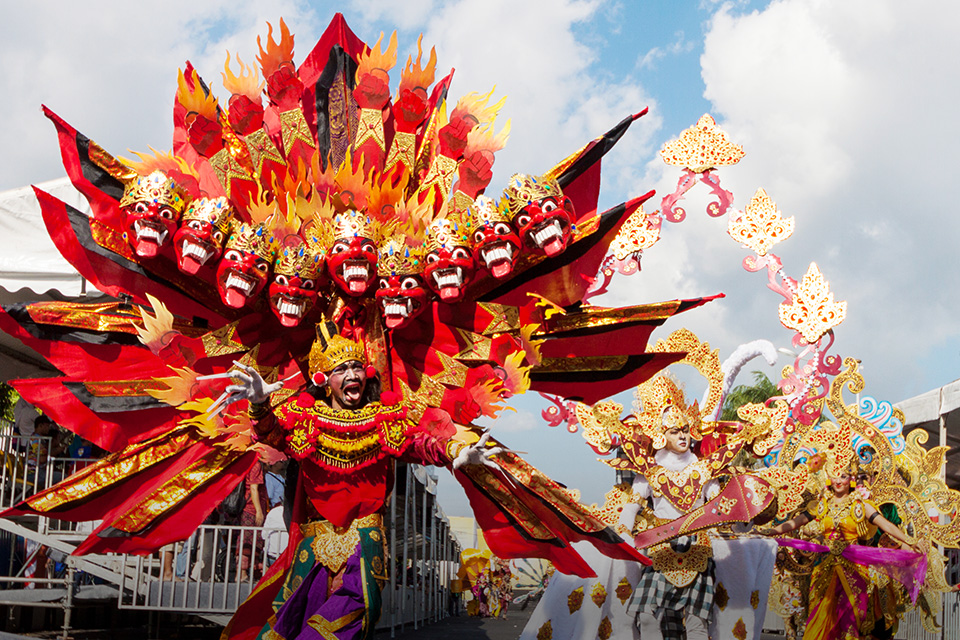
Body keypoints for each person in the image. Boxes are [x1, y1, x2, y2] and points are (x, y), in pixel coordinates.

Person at [219, 321, 498, 640]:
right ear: (324, 381)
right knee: (291, 623)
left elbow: (420, 443)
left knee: (341, 623)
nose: (352, 375)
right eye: (341, 370)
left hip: (363, 544)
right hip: (313, 548)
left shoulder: (384, 421)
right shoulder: (305, 420)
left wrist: (453, 449)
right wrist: (259, 405)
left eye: (356, 367)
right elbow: (271, 434)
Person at [763, 455, 923, 640]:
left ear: (852, 479)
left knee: (851, 619)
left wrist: (909, 540)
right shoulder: (821, 505)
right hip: (825, 568)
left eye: (844, 476)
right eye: (836, 475)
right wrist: (771, 532)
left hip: (853, 567)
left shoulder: (861, 505)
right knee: (820, 616)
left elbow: (885, 524)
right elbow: (795, 523)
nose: (839, 480)